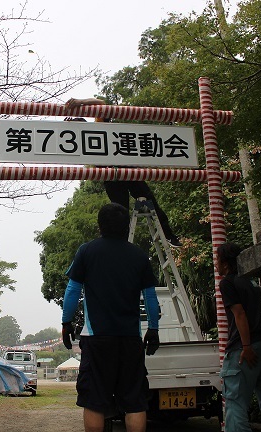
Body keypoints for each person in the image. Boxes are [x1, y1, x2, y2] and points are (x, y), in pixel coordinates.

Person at [61, 202, 161, 432]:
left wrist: (66, 323)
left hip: (97, 340)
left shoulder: (86, 251)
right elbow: (150, 296)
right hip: (130, 339)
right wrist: (153, 329)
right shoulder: (139, 256)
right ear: (126, 227)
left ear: (100, 226)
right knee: (135, 402)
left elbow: (72, 291)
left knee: (94, 401)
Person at [65, 97, 182, 247]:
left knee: (150, 201)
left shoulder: (100, 126)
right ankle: (122, 246)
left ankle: (168, 235)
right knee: (120, 214)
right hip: (111, 179)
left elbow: (100, 103)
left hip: (128, 170)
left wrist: (80, 102)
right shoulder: (85, 150)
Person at [216, 242, 261, 432]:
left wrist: (246, 346)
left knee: (235, 403)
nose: (216, 264)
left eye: (217, 260)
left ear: (225, 263)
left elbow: (239, 314)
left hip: (243, 350)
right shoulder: (252, 282)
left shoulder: (227, 283)